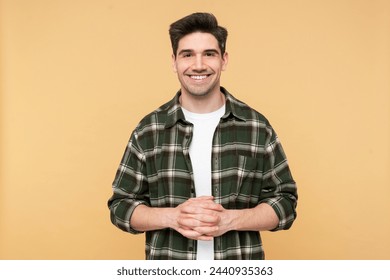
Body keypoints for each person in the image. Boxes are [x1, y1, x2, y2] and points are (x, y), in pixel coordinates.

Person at [108, 12, 298, 260]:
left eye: (209, 54)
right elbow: (120, 206)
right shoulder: (149, 130)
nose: (198, 65)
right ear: (174, 61)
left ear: (224, 60)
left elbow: (285, 202)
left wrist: (230, 220)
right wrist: (173, 217)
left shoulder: (256, 126)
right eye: (187, 54)